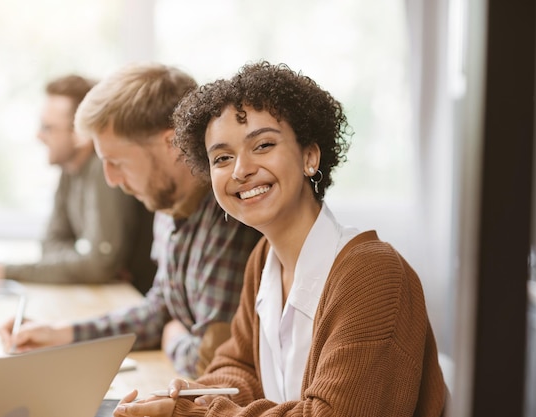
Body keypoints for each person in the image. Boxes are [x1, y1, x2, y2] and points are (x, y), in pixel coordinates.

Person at [114, 61, 447, 417]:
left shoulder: (373, 274)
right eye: (223, 157)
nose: (241, 170)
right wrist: (190, 396)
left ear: (309, 157)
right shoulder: (264, 260)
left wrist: (193, 414)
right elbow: (241, 370)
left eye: (263, 145)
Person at [0, 64, 262, 378]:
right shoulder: (166, 205)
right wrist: (62, 334)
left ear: (172, 144)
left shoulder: (228, 219)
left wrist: (172, 338)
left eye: (116, 162)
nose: (110, 179)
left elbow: (212, 363)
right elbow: (162, 310)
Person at [0, 75, 157, 293]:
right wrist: (83, 261)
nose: (39, 135)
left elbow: (99, 265)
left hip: (137, 302)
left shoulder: (103, 170)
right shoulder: (70, 171)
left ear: (82, 133)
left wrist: (5, 271)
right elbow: (50, 245)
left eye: (48, 127)